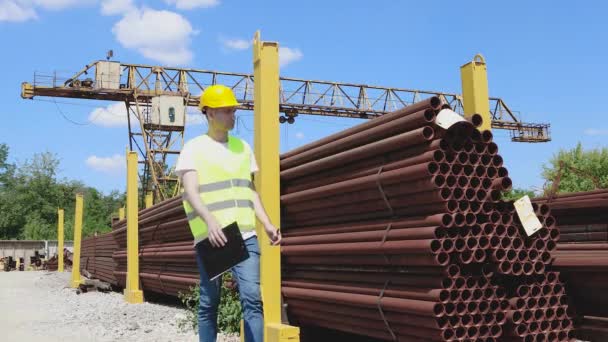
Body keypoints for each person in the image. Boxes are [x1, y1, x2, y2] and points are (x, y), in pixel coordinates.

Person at [175, 84, 281, 342]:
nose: (233, 115)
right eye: (227, 111)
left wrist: (266, 223)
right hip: (213, 235)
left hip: (245, 234)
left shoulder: (243, 148)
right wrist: (210, 221)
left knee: (253, 299)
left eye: (234, 110)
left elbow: (250, 191)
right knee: (210, 302)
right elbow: (190, 191)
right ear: (210, 113)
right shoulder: (194, 148)